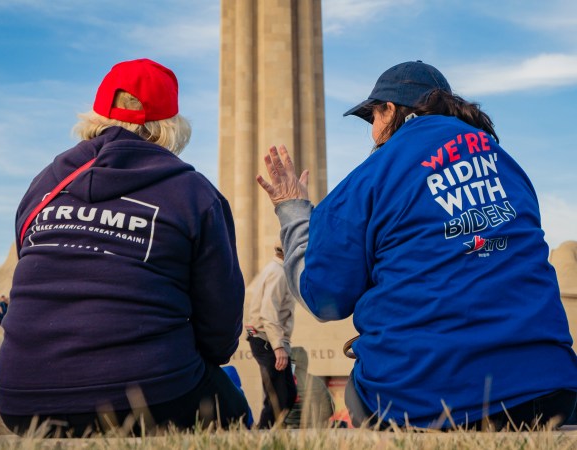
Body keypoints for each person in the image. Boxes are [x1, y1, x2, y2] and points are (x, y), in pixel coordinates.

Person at [256, 61, 577, 430]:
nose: (373, 132)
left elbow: (323, 297)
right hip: (549, 390)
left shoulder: (372, 176)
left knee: (357, 395)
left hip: (423, 397)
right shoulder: (509, 166)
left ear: (390, 110)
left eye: (372, 117)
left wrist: (293, 211)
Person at [0, 58, 249, 437]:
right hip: (150, 395)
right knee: (235, 412)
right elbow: (220, 327)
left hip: (21, 400)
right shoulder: (193, 193)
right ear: (169, 127)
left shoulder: (43, 185)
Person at [245, 240, 297, 428]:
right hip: (266, 340)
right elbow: (269, 313)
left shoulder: (277, 270)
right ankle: (262, 436)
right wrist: (278, 347)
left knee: (287, 395)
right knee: (278, 398)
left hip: (266, 339)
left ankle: (271, 432)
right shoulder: (279, 273)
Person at [284, 346, 334, 429]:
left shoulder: (283, 381)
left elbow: (275, 408)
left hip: (288, 428)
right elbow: (330, 408)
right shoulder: (316, 381)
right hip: (314, 428)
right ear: (305, 361)